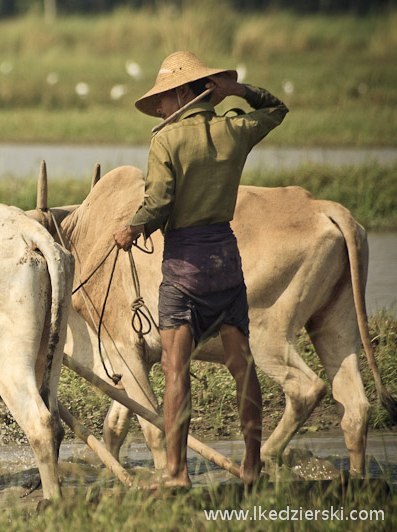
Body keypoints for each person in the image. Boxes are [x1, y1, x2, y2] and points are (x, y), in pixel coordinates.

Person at [113, 51, 288, 488]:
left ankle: (176, 473)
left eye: (164, 99)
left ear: (185, 93)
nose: (158, 108)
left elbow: (158, 204)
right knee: (242, 366)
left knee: (175, 370)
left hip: (184, 268)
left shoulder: (165, 141)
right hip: (226, 262)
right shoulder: (234, 128)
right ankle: (252, 466)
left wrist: (131, 229)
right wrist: (240, 91)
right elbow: (276, 109)